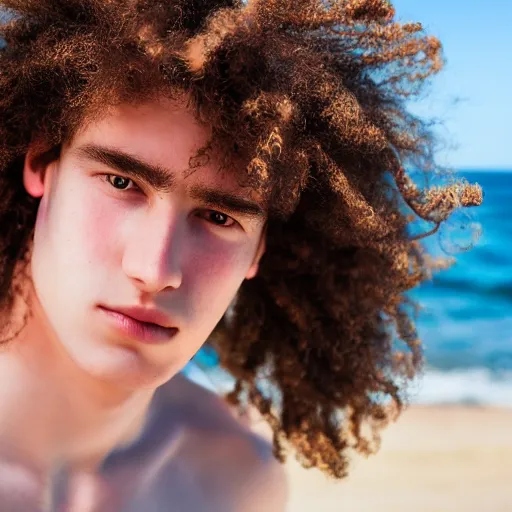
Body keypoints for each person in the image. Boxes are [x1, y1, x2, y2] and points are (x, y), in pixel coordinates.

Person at [0, 0, 482, 510]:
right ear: (42, 163)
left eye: (219, 217)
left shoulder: (234, 482)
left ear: (260, 250)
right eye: (122, 182)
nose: (155, 269)